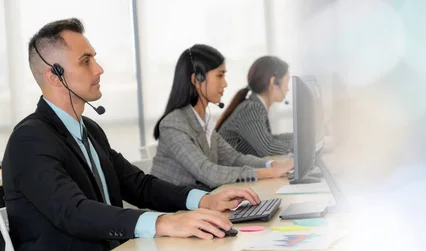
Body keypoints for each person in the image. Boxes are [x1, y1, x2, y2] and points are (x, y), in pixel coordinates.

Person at [1, 18, 261, 251]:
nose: (99, 69)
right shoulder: (30, 140)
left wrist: (205, 200)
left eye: (94, 58)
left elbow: (138, 185)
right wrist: (162, 222)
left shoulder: (89, 130)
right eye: (86, 61)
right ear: (55, 76)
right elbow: (73, 211)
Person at [151, 45, 293, 191]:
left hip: (201, 203)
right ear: (197, 79)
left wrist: (271, 165)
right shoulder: (173, 124)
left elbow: (234, 159)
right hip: (172, 210)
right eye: (220, 75)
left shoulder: (203, 121)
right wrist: (270, 173)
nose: (225, 83)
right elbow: (208, 172)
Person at [215, 56, 293, 157]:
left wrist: (299, 138)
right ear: (273, 82)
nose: (287, 88)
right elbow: (267, 148)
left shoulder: (254, 105)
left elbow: (270, 140)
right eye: (286, 82)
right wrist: (299, 146)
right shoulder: (252, 108)